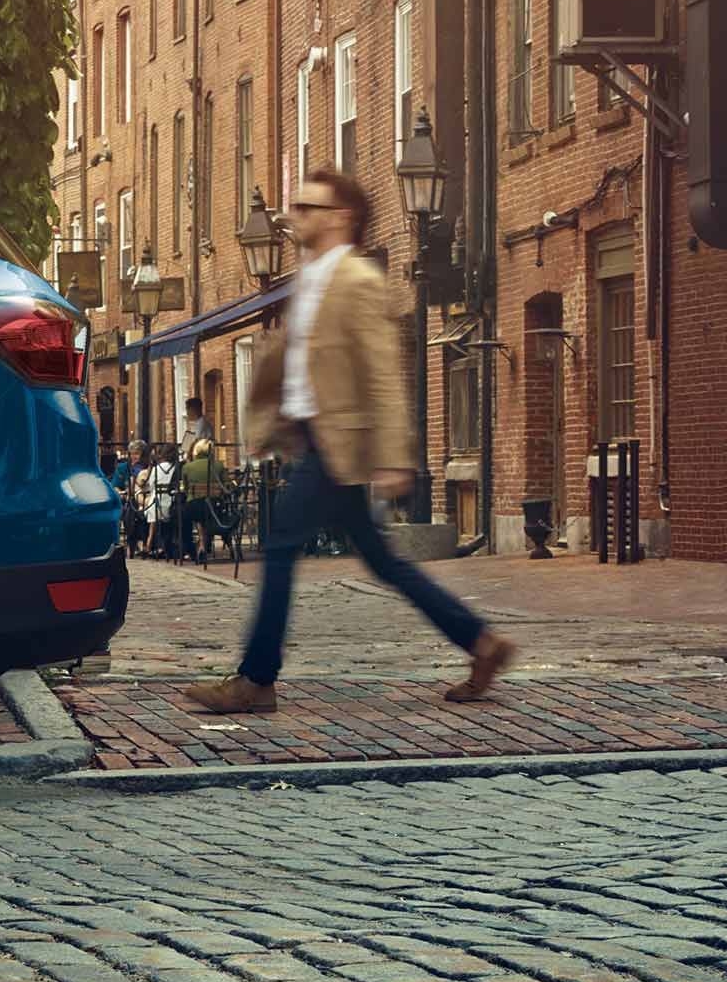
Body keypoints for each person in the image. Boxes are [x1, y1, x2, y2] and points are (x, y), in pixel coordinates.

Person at [187, 167, 515, 714]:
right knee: (383, 562)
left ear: (341, 217)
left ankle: (256, 679)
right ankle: (481, 644)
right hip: (316, 442)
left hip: (337, 445)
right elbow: (301, 366)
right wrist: (272, 428)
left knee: (282, 543)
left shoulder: (359, 280)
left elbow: (383, 372)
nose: (295, 216)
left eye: (307, 208)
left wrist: (392, 456)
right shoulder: (312, 277)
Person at [179, 414, 230, 561]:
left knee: (185, 517)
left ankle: (192, 548)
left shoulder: (188, 467)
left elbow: (186, 488)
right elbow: (226, 484)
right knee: (207, 514)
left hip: (194, 506)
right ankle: (204, 544)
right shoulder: (219, 465)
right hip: (214, 505)